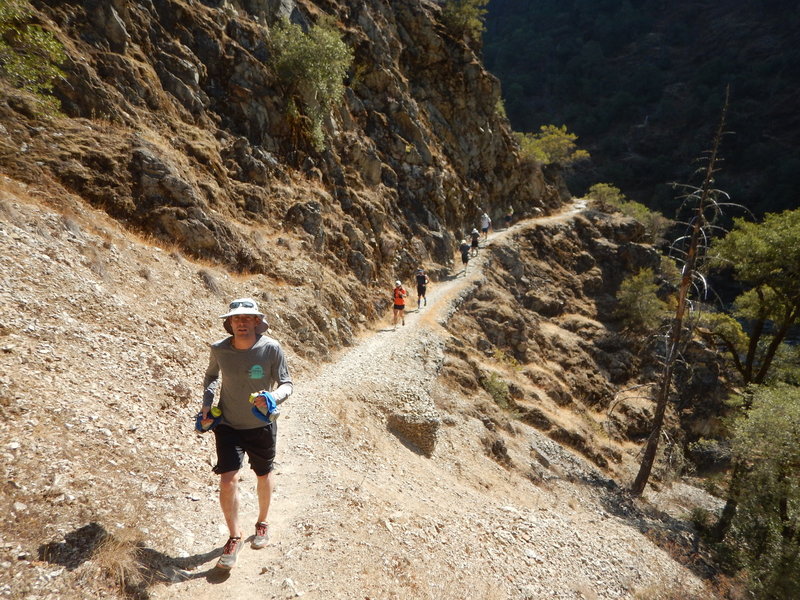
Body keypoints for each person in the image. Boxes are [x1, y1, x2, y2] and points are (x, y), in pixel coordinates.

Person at [200, 298, 293, 570]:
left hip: (261, 424)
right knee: (227, 479)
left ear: (256, 321)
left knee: (263, 473)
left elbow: (287, 383)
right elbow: (211, 377)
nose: (241, 322)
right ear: (229, 323)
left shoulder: (271, 348)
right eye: (236, 318)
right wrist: (207, 404)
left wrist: (272, 397)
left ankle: (262, 523)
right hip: (227, 423)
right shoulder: (219, 349)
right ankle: (234, 536)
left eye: (247, 318)